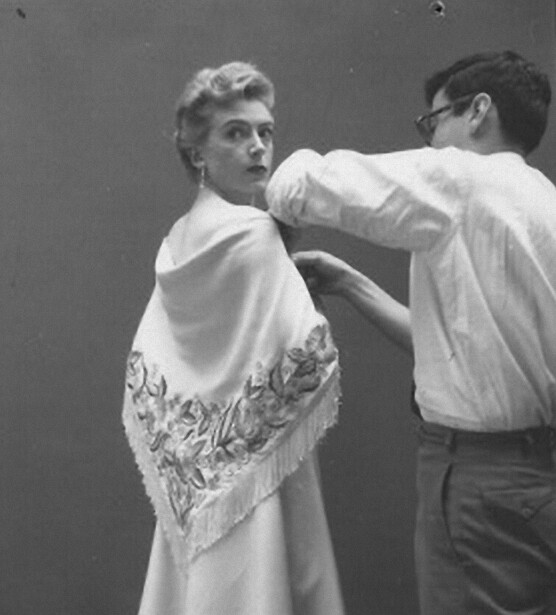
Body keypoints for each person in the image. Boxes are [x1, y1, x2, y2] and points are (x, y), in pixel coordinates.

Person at [267, 50, 556, 614]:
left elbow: (296, 186)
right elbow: (463, 354)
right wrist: (350, 284)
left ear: (479, 111)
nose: (431, 142)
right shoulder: (544, 202)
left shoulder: (461, 179)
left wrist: (281, 202)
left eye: (435, 121)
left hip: (477, 485)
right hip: (537, 479)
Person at [122, 62, 345, 615]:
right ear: (197, 153)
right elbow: (307, 350)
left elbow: (157, 364)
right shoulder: (255, 233)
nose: (257, 147)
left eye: (265, 132)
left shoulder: (177, 240)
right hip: (260, 463)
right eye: (236, 133)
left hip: (199, 474)